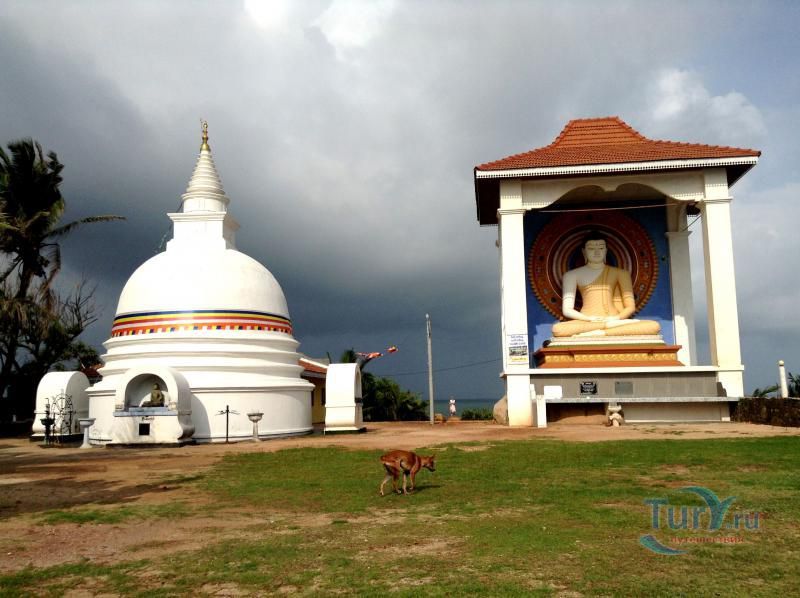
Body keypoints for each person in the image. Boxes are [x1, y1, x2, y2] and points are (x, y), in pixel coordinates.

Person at [551, 233, 660, 338]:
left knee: (653, 326)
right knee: (558, 329)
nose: (597, 252)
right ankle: (607, 330)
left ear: (606, 251)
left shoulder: (621, 273)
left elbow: (630, 307)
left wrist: (615, 319)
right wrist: (589, 319)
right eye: (591, 249)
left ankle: (601, 333)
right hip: (587, 321)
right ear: (584, 252)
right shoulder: (571, 275)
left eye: (601, 248)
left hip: (614, 320)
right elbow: (567, 310)